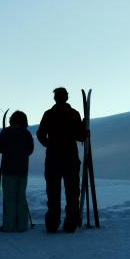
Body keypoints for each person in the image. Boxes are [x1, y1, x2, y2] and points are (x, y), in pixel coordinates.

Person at [36, 87, 86, 233]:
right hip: (70, 157)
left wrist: (49, 145)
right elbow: (81, 137)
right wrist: (84, 129)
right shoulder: (73, 114)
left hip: (53, 158)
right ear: (67, 97)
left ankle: (52, 224)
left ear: (55, 98)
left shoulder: (49, 114)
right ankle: (70, 224)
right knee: (72, 192)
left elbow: (40, 134)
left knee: (53, 192)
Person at [0, 110, 35, 232]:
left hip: (8, 170)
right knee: (21, 197)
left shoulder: (6, 132)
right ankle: (22, 225)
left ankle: (9, 225)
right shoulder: (26, 134)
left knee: (10, 198)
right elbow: (30, 150)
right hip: (22, 170)